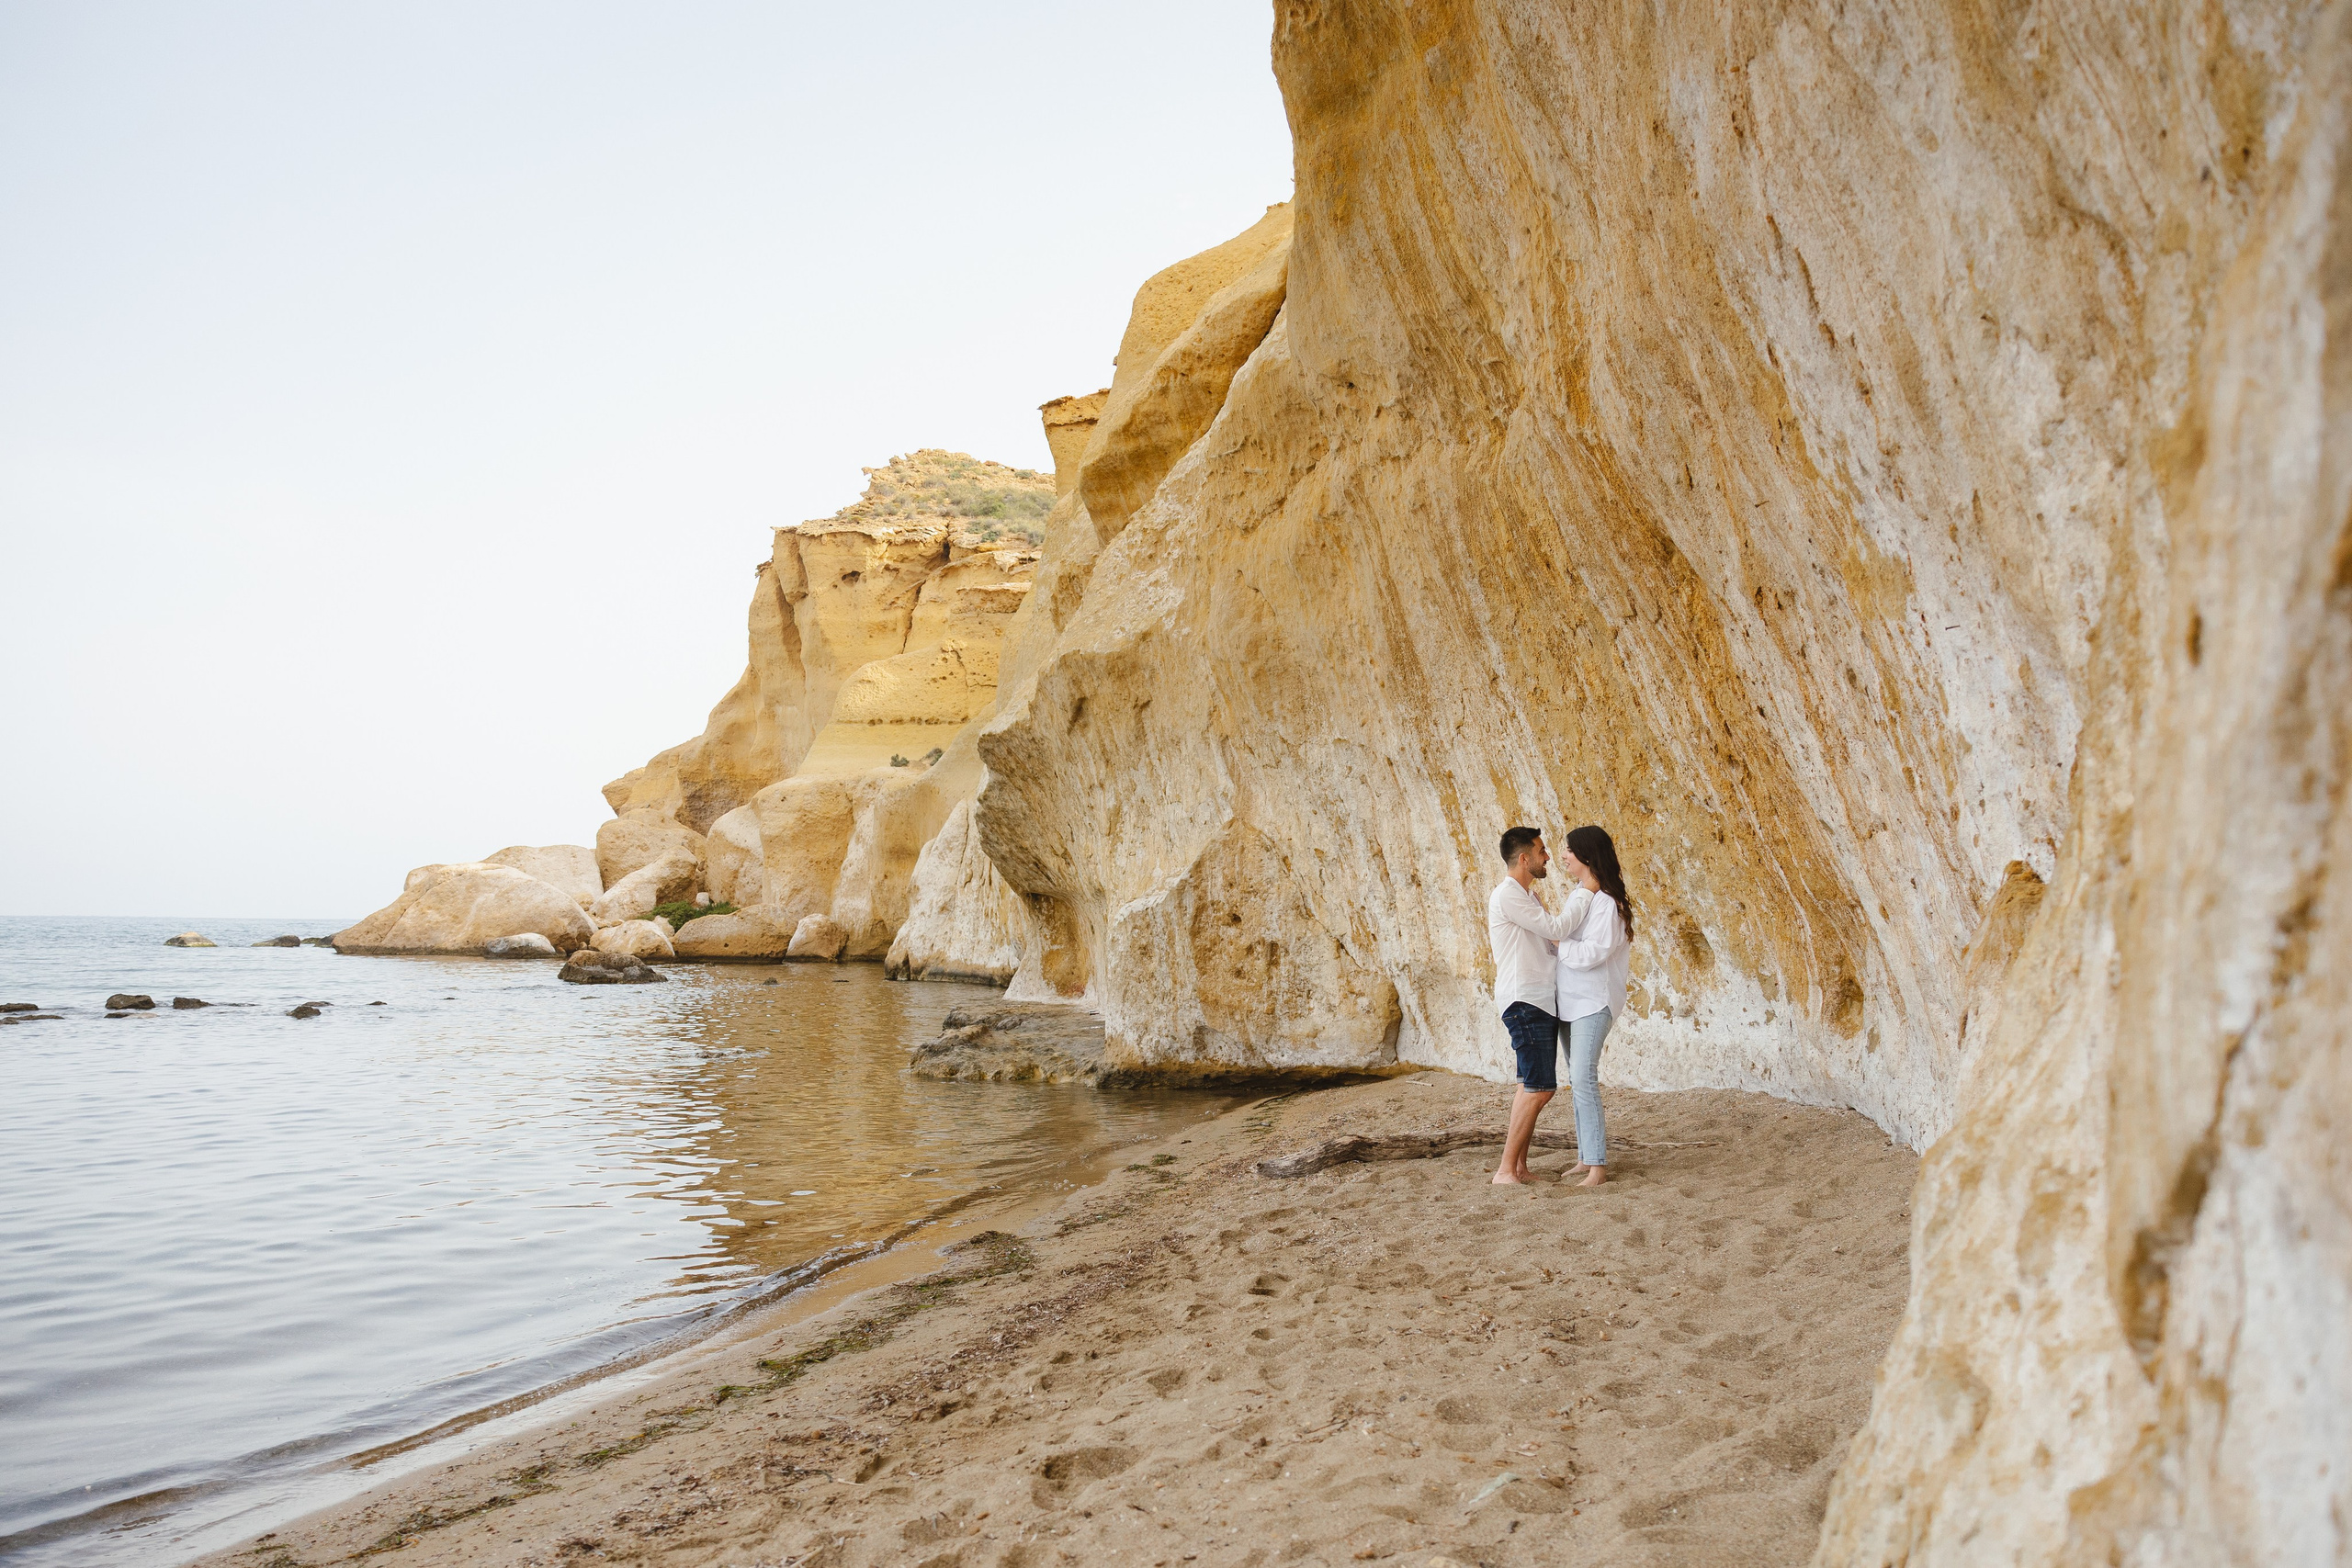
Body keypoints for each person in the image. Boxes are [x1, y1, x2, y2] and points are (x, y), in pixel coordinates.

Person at [1487, 826, 1591, 1185]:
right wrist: (1587, 893)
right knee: (1540, 1087)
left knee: (1526, 1085)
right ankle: (1505, 1170)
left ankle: (1518, 1168)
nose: (1548, 857)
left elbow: (1550, 945)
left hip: (1538, 999)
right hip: (1524, 1000)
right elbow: (1557, 929)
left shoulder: (1527, 897)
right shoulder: (1508, 896)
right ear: (1524, 858)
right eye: (1542, 851)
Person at [1554, 825, 1635, 1187]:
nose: (1563, 857)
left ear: (1586, 855)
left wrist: (1558, 944)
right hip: (1570, 1003)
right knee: (1577, 1079)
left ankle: (1598, 1166)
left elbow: (1593, 953)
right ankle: (1586, 1158)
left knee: (1584, 1079)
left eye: (1568, 850)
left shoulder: (1607, 903)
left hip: (1593, 1002)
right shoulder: (1581, 895)